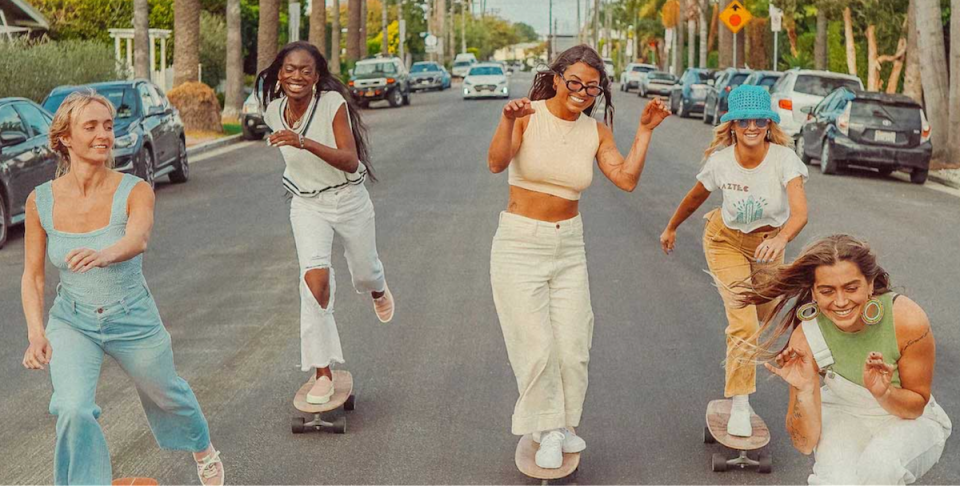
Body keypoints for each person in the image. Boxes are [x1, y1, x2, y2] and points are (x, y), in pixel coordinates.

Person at [20, 89, 224, 486]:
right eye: (91, 126)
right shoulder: (39, 201)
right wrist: (35, 334)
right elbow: (33, 275)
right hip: (73, 321)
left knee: (166, 392)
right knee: (72, 409)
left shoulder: (135, 189)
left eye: (109, 126)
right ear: (65, 138)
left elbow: (139, 238)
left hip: (132, 316)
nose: (104, 134)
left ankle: (202, 447)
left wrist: (104, 254)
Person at [487, 44, 669, 469]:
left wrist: (644, 132)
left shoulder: (596, 132)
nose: (583, 92)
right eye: (575, 82)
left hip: (569, 243)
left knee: (573, 345)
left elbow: (625, 179)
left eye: (592, 86)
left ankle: (565, 424)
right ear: (556, 79)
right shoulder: (528, 115)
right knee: (536, 345)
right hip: (518, 243)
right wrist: (507, 119)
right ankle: (547, 430)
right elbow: (497, 163)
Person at [737, 235, 952, 485]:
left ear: (870, 284)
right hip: (846, 413)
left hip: (910, 418)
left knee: (880, 467)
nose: (841, 302)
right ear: (813, 293)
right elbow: (804, 443)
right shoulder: (806, 337)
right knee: (835, 480)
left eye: (851, 288)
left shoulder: (906, 320)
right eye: (827, 291)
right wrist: (805, 389)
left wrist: (884, 393)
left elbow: (916, 406)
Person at [659, 84, 809, 437]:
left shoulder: (785, 160)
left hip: (769, 244)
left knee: (763, 319)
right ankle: (740, 404)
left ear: (769, 124)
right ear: (733, 126)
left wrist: (780, 238)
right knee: (743, 324)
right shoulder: (721, 162)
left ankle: (747, 369)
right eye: (744, 121)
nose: (752, 127)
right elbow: (695, 198)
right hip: (725, 241)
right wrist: (671, 228)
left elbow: (800, 213)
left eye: (760, 120)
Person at [256, 41, 394, 404]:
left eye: (305, 70)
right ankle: (322, 371)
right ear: (279, 74)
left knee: (364, 273)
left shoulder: (332, 104)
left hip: (348, 200)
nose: (296, 76)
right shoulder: (273, 112)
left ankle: (377, 287)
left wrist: (303, 142)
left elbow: (350, 160)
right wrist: (295, 143)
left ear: (317, 77)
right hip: (307, 204)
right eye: (289, 69)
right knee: (313, 281)